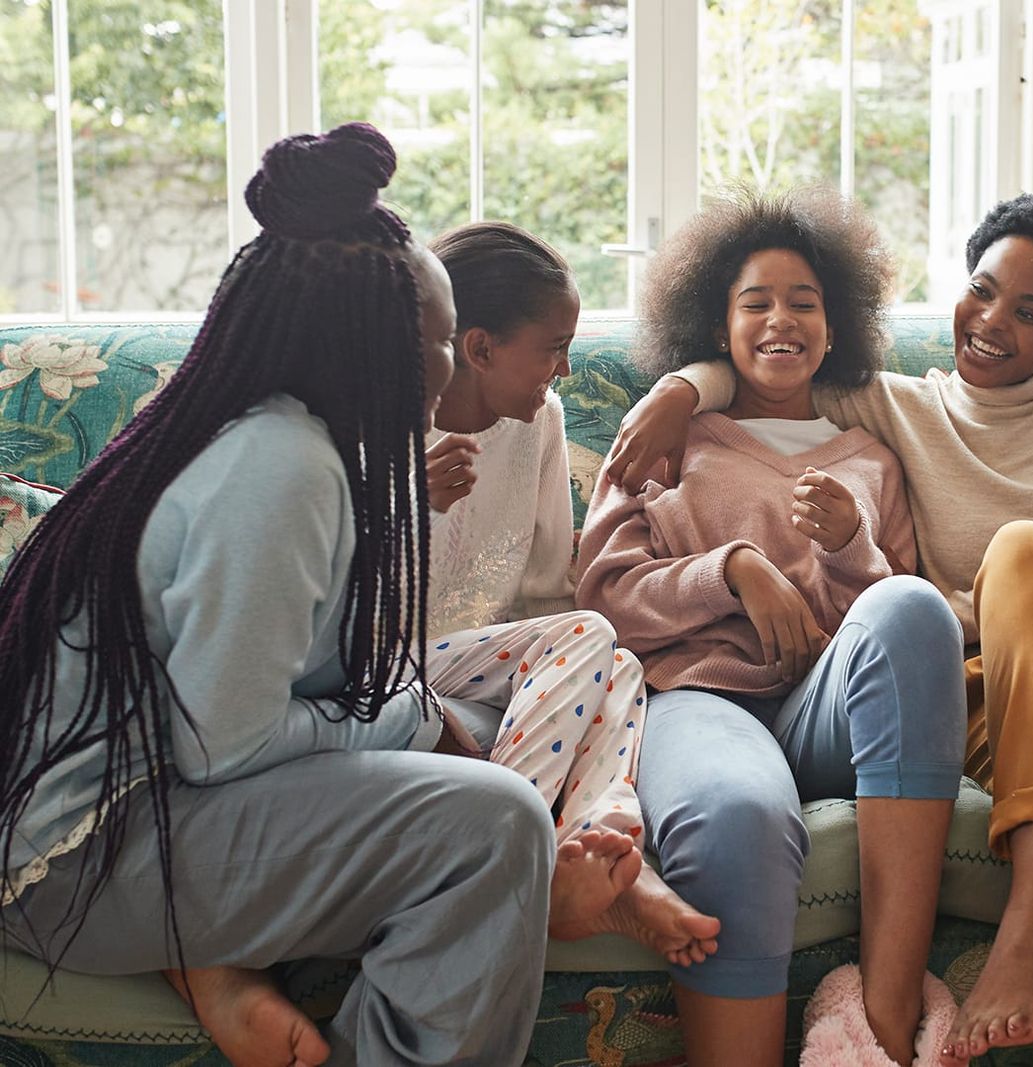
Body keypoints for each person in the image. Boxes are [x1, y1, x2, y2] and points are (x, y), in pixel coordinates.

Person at [608, 192, 1033, 1067]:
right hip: (1011, 697)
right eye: (981, 290)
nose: (990, 322)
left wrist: (949, 608)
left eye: (1030, 312)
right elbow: (768, 357)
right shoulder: (895, 406)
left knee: (1030, 558)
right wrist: (680, 388)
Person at [0, 124, 564, 1067]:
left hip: (158, 794)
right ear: (368, 343)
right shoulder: (280, 465)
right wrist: (402, 721)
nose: (448, 367)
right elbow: (224, 743)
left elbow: (303, 678)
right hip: (75, 858)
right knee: (495, 823)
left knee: (472, 714)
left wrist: (412, 713)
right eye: (437, 338)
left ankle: (225, 967)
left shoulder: (291, 444)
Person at [576, 189, 968, 1067]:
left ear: (837, 327)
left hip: (827, 710)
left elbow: (902, 644)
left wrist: (849, 548)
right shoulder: (665, 438)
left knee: (912, 605)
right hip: (697, 699)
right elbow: (602, 597)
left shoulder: (869, 457)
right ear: (718, 322)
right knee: (738, 812)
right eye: (755, 301)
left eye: (804, 302)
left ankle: (884, 1020)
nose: (781, 319)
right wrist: (733, 571)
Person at [420, 220, 719, 962]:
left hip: (494, 671)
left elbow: (550, 586)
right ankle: (510, 856)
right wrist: (406, 505)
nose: (563, 369)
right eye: (553, 348)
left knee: (612, 659)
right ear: (480, 347)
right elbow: (331, 598)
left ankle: (600, 846)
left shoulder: (539, 421)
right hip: (396, 667)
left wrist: (577, 670)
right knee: (588, 636)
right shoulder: (383, 428)